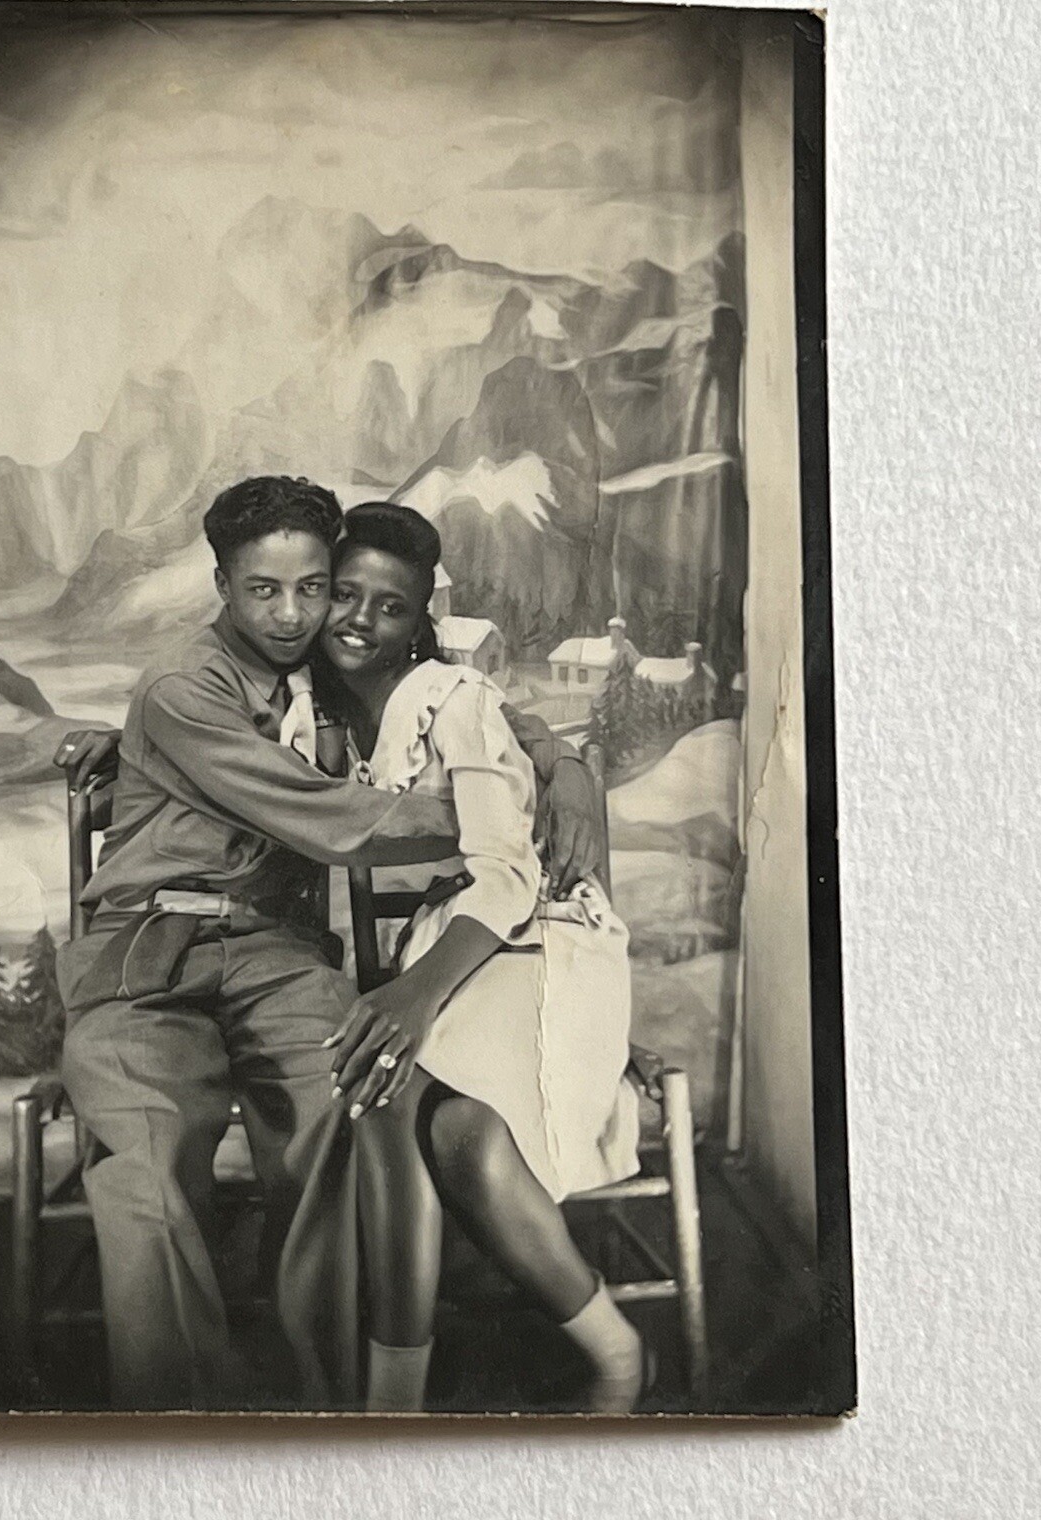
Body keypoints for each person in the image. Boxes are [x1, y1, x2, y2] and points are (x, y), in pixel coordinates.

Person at [51, 476, 605, 1410]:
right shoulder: (183, 686)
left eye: (312, 587)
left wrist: (567, 764)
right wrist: (490, 817)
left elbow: (482, 709)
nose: (292, 613)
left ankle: (331, 1410)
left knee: (348, 1114)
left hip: (277, 955)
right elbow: (335, 819)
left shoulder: (324, 659)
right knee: (147, 1165)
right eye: (264, 590)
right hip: (146, 955)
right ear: (222, 586)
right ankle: (174, 1424)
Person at [277, 502, 645, 1414]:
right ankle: (398, 1406)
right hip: (446, 941)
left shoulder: (456, 701)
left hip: (540, 941)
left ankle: (616, 1360)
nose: (359, 621)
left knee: (429, 1109)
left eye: (390, 606)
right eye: (344, 595)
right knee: (427, 1116)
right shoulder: (300, 706)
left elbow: (510, 876)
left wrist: (413, 997)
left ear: (418, 622)